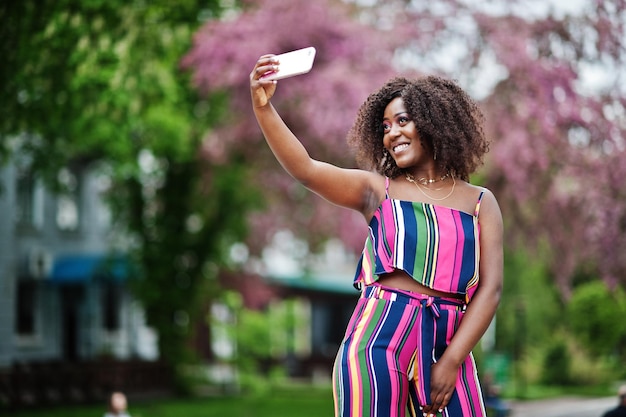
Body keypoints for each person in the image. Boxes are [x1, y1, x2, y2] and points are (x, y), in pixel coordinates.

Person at [250, 54, 503, 417]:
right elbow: (306, 169)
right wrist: (264, 108)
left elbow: (490, 290)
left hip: (449, 340)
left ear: (434, 122)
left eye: (402, 120)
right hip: (377, 339)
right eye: (384, 127)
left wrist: (451, 362)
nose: (392, 134)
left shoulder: (481, 202)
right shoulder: (377, 190)